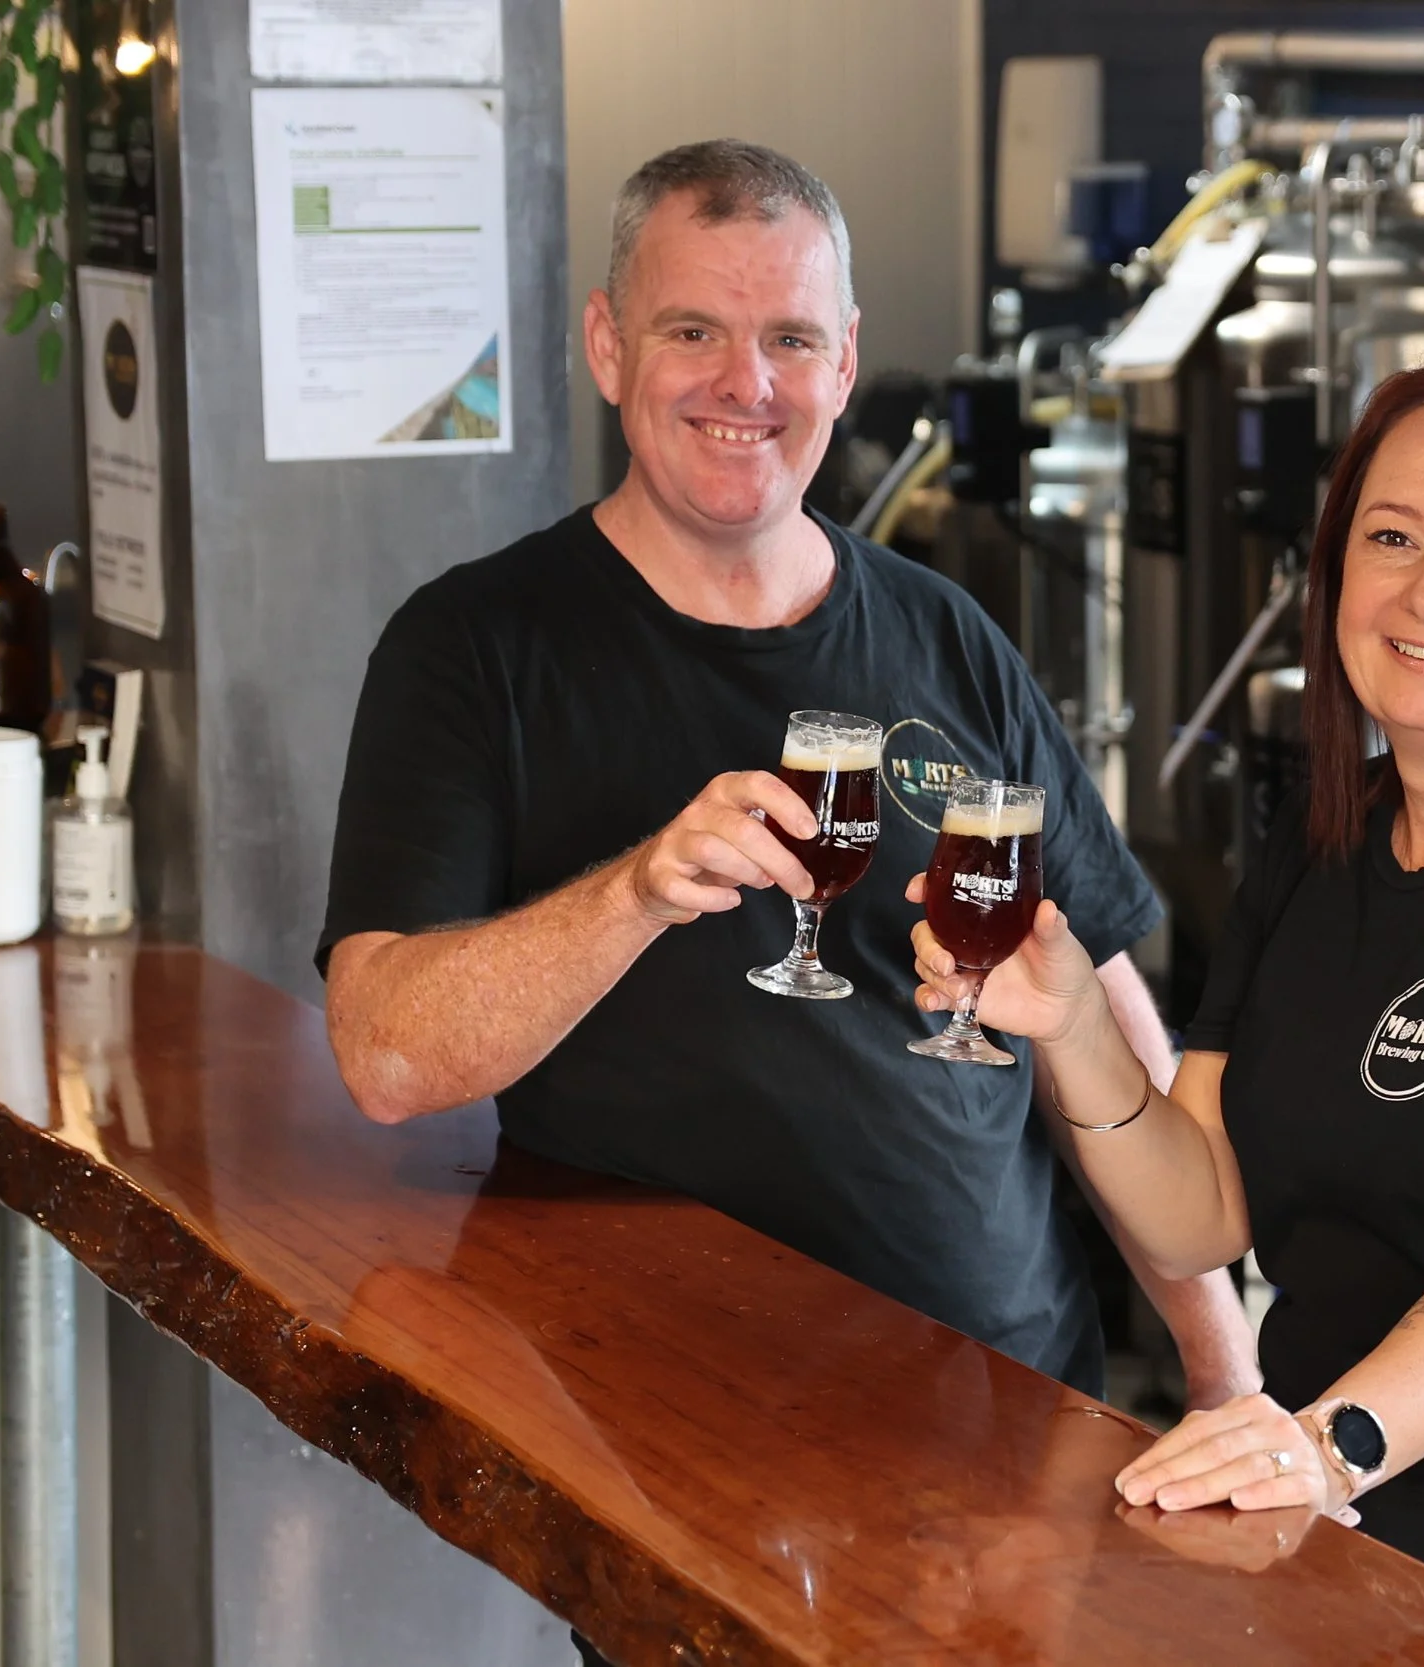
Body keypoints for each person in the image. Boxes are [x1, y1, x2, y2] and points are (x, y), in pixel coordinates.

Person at [317, 141, 1256, 1448]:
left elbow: (1093, 1009)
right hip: (673, 1439)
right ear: (608, 346)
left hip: (1011, 1407)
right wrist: (637, 894)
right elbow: (385, 1055)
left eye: (791, 340)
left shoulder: (948, 636)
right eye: (692, 330)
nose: (746, 385)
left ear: (846, 363)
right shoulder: (473, 649)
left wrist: (1225, 1372)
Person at [909, 339, 1424, 1664]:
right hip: (1320, 1559)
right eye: (1393, 537)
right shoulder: (1323, 841)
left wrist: (1322, 1445)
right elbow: (1201, 1208)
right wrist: (1072, 1025)